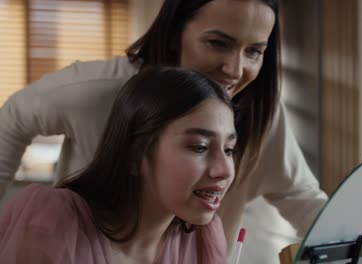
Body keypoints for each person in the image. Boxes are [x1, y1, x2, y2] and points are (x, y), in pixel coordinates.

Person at [0, 0, 362, 263]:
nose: (235, 70)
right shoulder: (93, 93)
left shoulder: (259, 114)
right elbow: (13, 116)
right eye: (218, 43)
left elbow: (298, 195)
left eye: (254, 51)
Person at [0, 66, 237, 263]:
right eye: (200, 147)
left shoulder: (202, 239)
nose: (224, 170)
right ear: (136, 153)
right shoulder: (54, 224)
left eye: (228, 150)